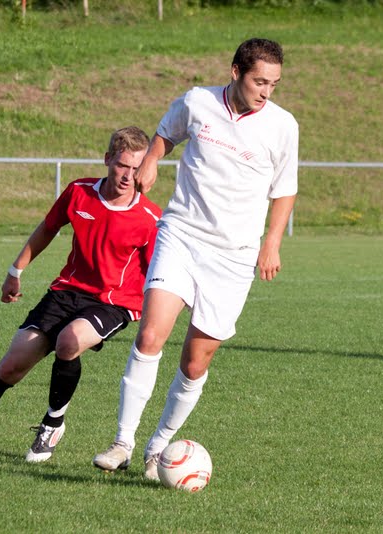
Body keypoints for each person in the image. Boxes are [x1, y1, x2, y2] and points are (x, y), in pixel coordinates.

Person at [93, 38, 299, 480]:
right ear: (235, 72)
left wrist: (272, 243)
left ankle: (159, 446)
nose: (267, 91)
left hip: (235, 256)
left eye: (274, 84)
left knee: (194, 362)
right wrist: (151, 160)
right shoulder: (197, 102)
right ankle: (122, 442)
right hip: (182, 235)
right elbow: (166, 133)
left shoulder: (283, 126)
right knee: (150, 335)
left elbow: (284, 190)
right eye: (259, 81)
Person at [0, 127, 162, 462]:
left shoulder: (151, 218)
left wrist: (157, 317)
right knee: (10, 367)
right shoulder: (79, 192)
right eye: (122, 166)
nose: (128, 176)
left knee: (69, 341)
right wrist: (15, 271)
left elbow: (159, 273)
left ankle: (53, 423)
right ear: (107, 159)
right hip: (66, 291)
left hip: (114, 302)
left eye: (135, 168)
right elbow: (48, 228)